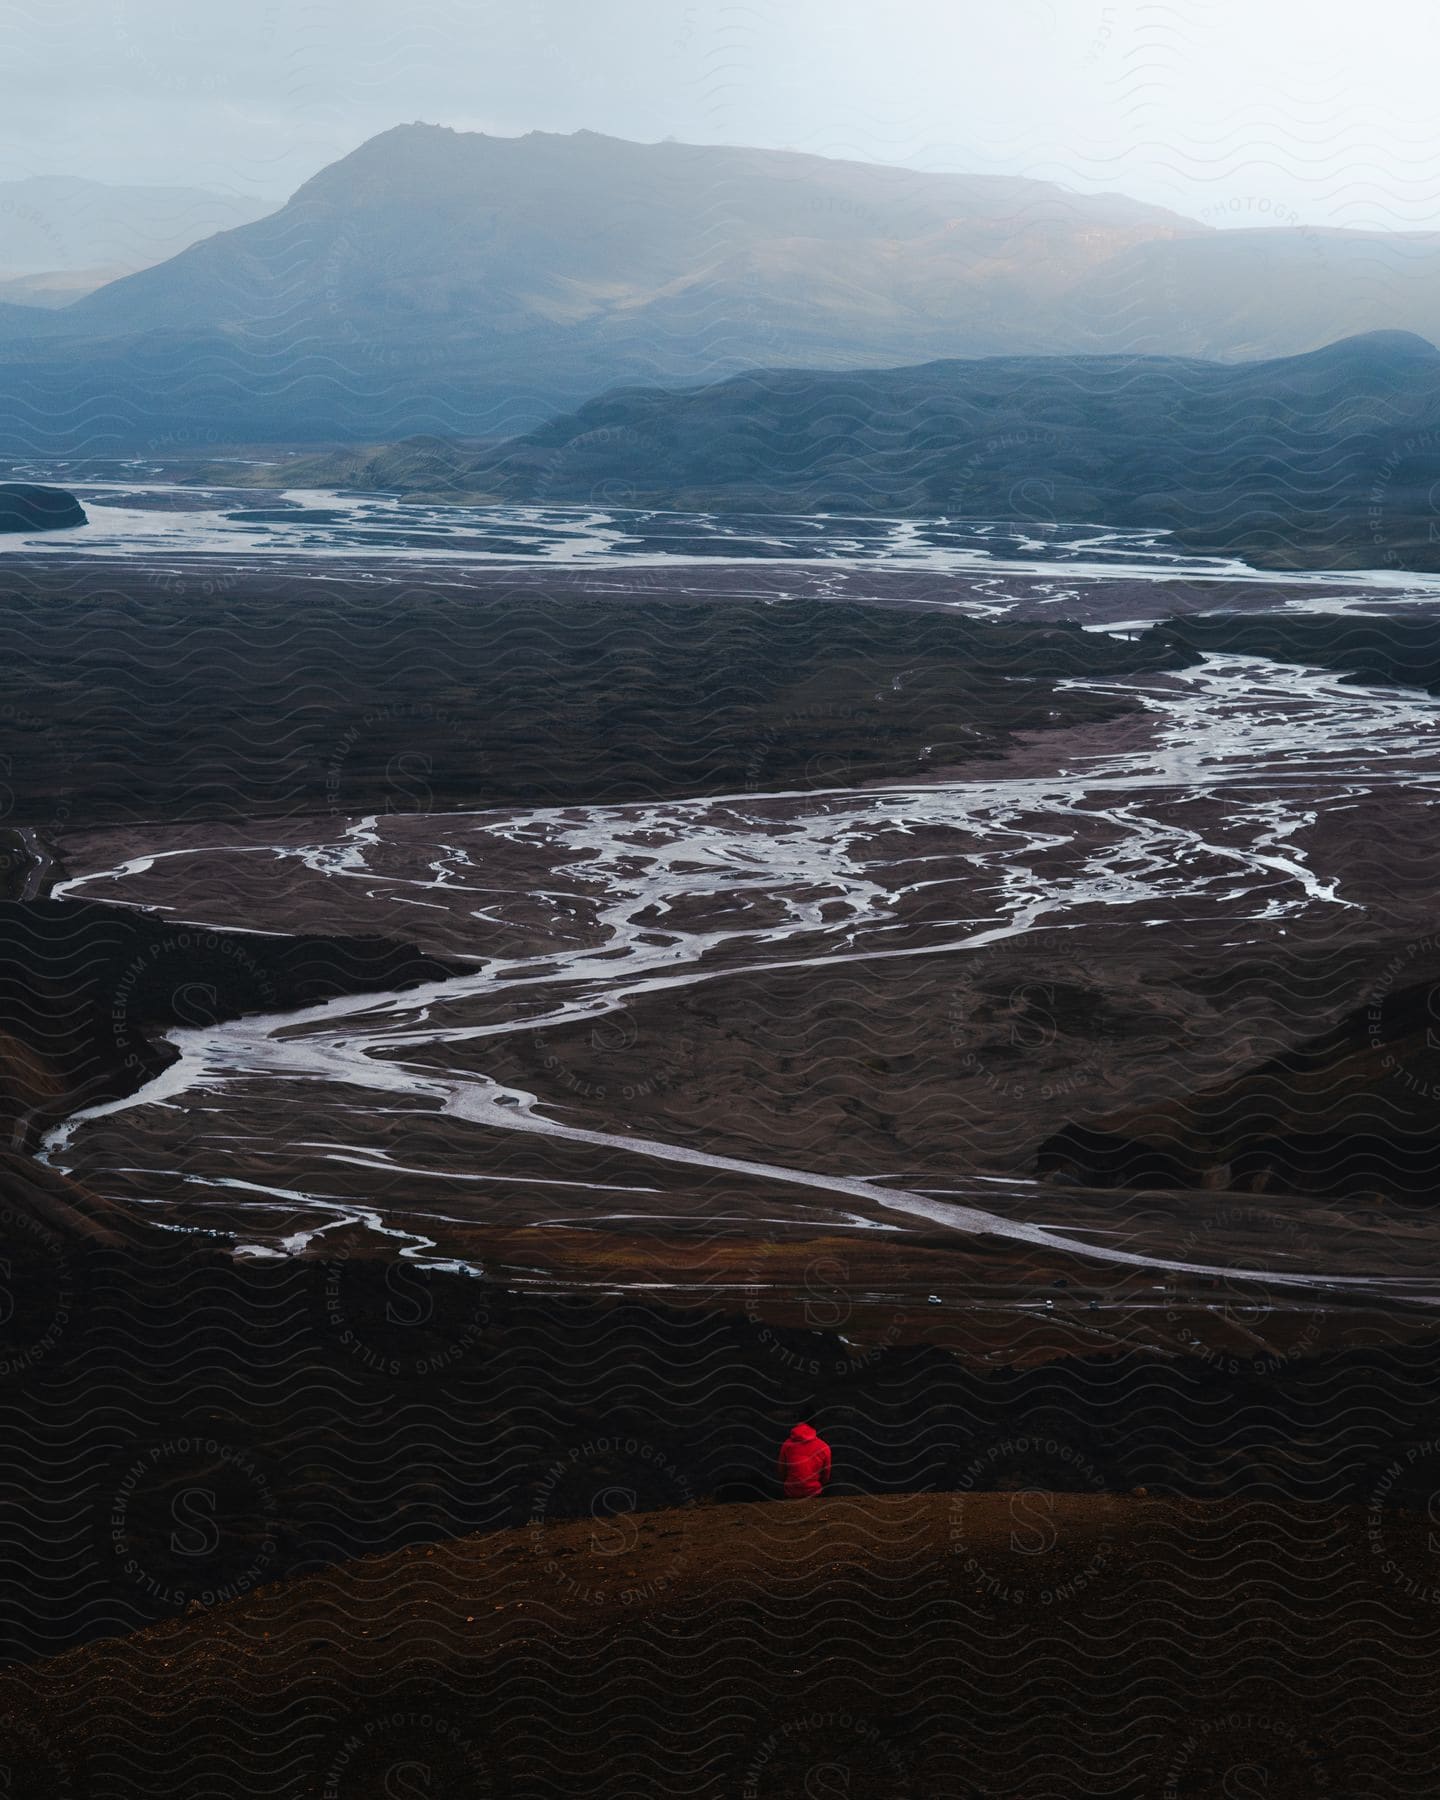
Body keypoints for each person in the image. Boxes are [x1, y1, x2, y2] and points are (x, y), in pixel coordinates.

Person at [778, 1421, 832, 1499]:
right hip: (814, 1492)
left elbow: (781, 1471)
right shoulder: (823, 1446)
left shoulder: (787, 1445)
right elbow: (826, 1476)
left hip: (791, 1492)